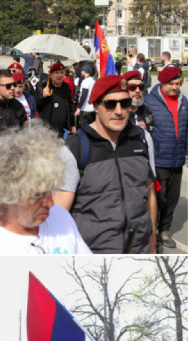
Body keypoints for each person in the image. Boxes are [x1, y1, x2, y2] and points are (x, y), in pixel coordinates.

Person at [56, 74, 157, 254]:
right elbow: (58, 215)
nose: (119, 111)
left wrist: (153, 246)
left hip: (138, 253)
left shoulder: (141, 139)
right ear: (95, 105)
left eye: (124, 103)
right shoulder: (75, 148)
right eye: (110, 104)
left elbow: (149, 195)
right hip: (93, 257)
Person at [0, 123, 90, 254]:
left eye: (50, 191)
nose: (51, 203)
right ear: (5, 196)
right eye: (37, 195)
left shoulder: (61, 217)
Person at [143, 65, 188, 250]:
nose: (175, 87)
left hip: (177, 158)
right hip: (159, 158)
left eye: (178, 84)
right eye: (171, 84)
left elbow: (186, 127)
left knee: (172, 198)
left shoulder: (184, 101)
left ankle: (165, 230)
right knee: (158, 198)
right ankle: (152, 230)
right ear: (162, 83)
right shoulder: (149, 101)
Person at [35, 62, 75, 137]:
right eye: (56, 73)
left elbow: (69, 106)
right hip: (47, 131)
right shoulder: (43, 86)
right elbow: (37, 106)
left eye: (61, 72)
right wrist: (43, 96)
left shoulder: (66, 87)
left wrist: (72, 124)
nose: (59, 75)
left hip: (62, 131)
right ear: (51, 74)